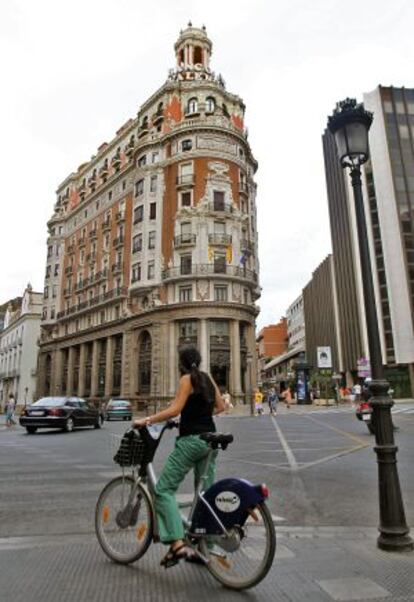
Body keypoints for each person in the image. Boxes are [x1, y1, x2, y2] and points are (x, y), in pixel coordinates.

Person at [133, 345, 225, 568]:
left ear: (181, 363)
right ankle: (207, 549)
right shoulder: (208, 379)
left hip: (192, 441)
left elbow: (175, 409)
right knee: (204, 495)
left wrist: (147, 420)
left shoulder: (187, 379)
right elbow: (220, 407)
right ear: (199, 361)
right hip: (210, 441)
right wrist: (199, 414)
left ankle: (177, 544)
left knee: (163, 490)